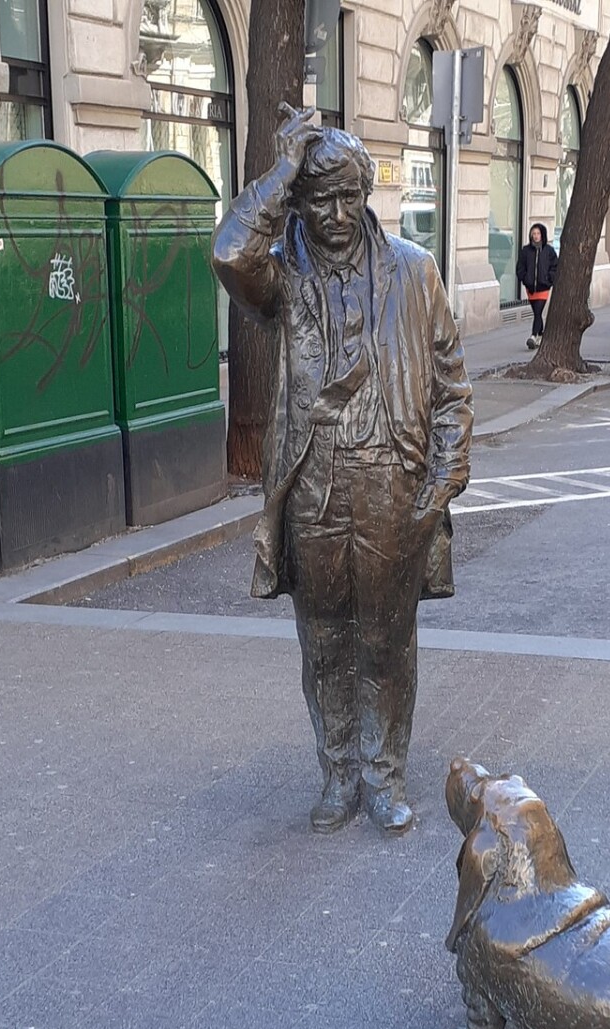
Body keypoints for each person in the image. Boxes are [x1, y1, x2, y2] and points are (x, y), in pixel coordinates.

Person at [212, 105, 473, 836]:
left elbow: (452, 387)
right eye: (320, 198)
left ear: (366, 194)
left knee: (386, 639)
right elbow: (230, 256)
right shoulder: (282, 274)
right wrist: (281, 169)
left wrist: (441, 482)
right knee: (325, 639)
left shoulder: (414, 271)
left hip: (393, 479)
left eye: (349, 196)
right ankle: (337, 773)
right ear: (298, 201)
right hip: (314, 480)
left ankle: (384, 776)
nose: (336, 214)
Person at [516, 224, 558, 349]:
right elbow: (520, 267)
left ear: (542, 235)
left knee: (538, 311)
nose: (536, 236)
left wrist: (549, 279)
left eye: (538, 233)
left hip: (543, 287)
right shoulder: (526, 251)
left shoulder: (549, 251)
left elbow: (555, 266)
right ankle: (541, 335)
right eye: (533, 234)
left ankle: (533, 336)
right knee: (537, 313)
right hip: (530, 288)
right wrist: (524, 279)